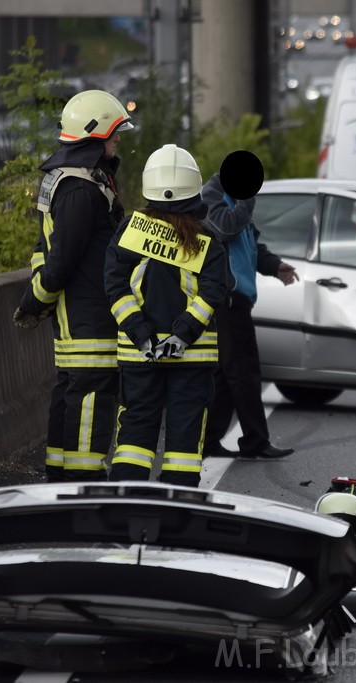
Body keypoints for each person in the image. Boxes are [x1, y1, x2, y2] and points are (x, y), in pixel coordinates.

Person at [12, 89, 132, 482]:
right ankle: (82, 491)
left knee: (68, 398)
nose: (118, 140)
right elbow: (61, 259)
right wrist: (34, 302)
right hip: (89, 321)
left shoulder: (71, 179)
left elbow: (43, 250)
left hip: (73, 320)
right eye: (114, 134)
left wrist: (38, 301)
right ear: (94, 135)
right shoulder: (81, 188)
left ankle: (60, 485)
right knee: (91, 403)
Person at [104, 143, 227, 487]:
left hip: (138, 356)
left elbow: (114, 288)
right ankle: (179, 514)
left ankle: (126, 508)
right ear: (194, 187)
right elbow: (213, 293)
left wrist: (140, 333)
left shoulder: (130, 231)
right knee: (185, 443)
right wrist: (182, 335)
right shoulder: (207, 239)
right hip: (192, 357)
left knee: (134, 438)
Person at [200, 150, 298, 460]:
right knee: (244, 372)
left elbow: (249, 242)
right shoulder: (213, 194)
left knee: (227, 376)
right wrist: (247, 199)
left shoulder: (235, 199)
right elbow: (225, 228)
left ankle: (209, 440)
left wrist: (275, 266)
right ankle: (256, 441)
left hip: (234, 299)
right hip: (226, 299)